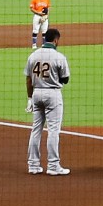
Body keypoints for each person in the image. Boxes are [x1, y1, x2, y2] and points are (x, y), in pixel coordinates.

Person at [24, 29, 70, 176]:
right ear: (56, 40)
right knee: (53, 130)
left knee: (36, 129)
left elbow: (28, 79)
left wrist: (30, 98)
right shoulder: (59, 56)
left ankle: (33, 165)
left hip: (36, 93)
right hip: (53, 94)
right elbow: (65, 79)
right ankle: (53, 165)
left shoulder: (33, 55)